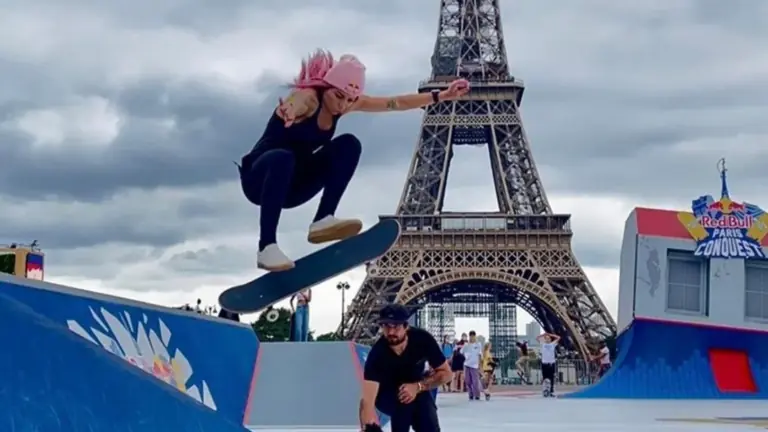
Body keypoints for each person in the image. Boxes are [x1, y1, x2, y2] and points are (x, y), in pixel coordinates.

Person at [238, 49, 470, 271]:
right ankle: (266, 247)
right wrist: (289, 110)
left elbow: (395, 103)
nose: (343, 105)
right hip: (259, 180)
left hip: (293, 188)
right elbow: (296, 101)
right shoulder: (309, 98)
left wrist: (441, 95)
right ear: (327, 87)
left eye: (350, 100)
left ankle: (322, 219)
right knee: (283, 158)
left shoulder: (345, 103)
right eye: (339, 96)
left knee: (349, 144)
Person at [360, 304, 453, 432]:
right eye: (386, 326)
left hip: (418, 387)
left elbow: (447, 374)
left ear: (406, 326)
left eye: (396, 326)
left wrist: (418, 387)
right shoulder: (377, 354)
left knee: (427, 416)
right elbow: (367, 401)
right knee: (403, 399)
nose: (391, 332)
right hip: (386, 394)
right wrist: (368, 427)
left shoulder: (423, 340)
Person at [460, 330, 484, 400]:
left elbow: (480, 355)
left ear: (475, 336)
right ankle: (470, 394)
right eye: (471, 336)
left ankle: (477, 395)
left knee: (475, 381)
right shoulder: (466, 345)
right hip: (467, 365)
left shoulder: (478, 344)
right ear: (469, 336)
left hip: (475, 365)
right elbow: (461, 352)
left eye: (473, 336)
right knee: (467, 381)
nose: (472, 338)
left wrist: (480, 365)